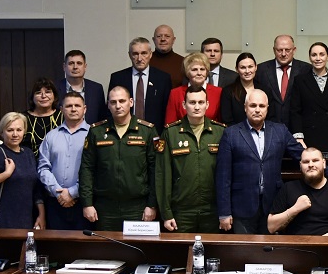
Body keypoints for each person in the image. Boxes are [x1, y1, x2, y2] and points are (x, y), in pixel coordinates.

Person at [216, 88, 319, 234]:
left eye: (261, 106)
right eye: (253, 106)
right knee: (244, 253)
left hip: (273, 205)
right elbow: (223, 177)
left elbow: (303, 155)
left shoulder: (280, 130)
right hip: (242, 207)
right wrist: (224, 213)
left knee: (271, 253)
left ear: (267, 108)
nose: (257, 110)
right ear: (245, 108)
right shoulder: (231, 134)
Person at [79, 86, 157, 231]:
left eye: (122, 101)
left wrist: (152, 204)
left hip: (138, 206)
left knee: (138, 250)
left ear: (131, 102)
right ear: (108, 105)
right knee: (107, 251)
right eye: (113, 102)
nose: (118, 106)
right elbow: (87, 169)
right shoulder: (97, 131)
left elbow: (155, 170)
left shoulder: (147, 131)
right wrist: (87, 203)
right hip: (105, 207)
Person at [156, 84, 225, 233]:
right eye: (192, 102)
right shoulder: (170, 133)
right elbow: (163, 175)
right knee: (181, 255)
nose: (197, 107)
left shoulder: (220, 132)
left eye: (201, 102)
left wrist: (226, 210)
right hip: (182, 211)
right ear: (184, 105)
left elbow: (228, 174)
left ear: (207, 104)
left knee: (211, 254)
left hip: (212, 210)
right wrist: (166, 213)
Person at [267, 148, 328, 236]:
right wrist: (295, 209)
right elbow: (271, 227)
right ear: (300, 165)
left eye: (315, 160)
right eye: (306, 162)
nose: (310, 165)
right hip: (296, 249)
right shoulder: (288, 188)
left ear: (324, 163)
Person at [0, 112, 45, 230]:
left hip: (27, 218)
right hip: (3, 220)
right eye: (10, 130)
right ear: (2, 132)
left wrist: (41, 214)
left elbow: (36, 188)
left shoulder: (28, 153)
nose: (15, 134)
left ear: (24, 131)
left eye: (19, 130)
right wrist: (6, 174)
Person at [36, 90, 90, 230]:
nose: (73, 109)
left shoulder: (94, 135)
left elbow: (96, 170)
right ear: (61, 109)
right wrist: (58, 192)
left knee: (84, 249)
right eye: (68, 106)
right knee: (56, 248)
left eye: (77, 106)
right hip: (55, 203)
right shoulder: (51, 136)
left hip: (84, 203)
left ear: (84, 109)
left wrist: (72, 192)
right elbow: (43, 168)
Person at [288, 41, 328, 154]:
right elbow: (295, 111)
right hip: (308, 139)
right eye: (314, 55)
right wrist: (299, 138)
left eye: (322, 54)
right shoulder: (300, 81)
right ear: (310, 58)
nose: (318, 58)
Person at [109, 36, 170, 130]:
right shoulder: (118, 78)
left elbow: (167, 110)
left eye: (144, 53)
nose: (140, 58)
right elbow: (110, 108)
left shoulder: (163, 78)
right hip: (123, 132)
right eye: (135, 54)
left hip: (154, 133)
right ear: (130, 55)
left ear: (150, 54)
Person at [254, 34, 308, 124]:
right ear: (274, 50)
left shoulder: (306, 70)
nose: (283, 54)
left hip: (297, 128)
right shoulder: (260, 70)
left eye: (287, 50)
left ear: (294, 50)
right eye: (279, 50)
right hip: (269, 126)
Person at [166, 52, 222, 125]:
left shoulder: (218, 92)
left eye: (202, 69)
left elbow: (221, 123)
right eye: (194, 70)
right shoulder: (175, 93)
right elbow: (170, 124)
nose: (199, 73)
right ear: (187, 72)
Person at [59, 49, 107, 125]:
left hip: (91, 134)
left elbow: (102, 117)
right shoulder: (54, 88)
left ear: (85, 67)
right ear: (64, 67)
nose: (75, 67)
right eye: (71, 63)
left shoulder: (96, 89)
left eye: (79, 63)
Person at [24, 77, 62, 156]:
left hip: (58, 164)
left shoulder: (63, 116)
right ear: (32, 97)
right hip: (28, 164)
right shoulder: (22, 118)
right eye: (38, 93)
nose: (43, 96)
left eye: (48, 92)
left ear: (54, 95)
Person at [219, 52, 258, 126]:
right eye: (243, 67)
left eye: (250, 67)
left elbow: (270, 116)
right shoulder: (228, 91)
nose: (247, 71)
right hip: (236, 134)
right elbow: (227, 120)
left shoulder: (265, 89)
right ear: (237, 69)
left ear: (256, 67)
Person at [150, 24, 186, 88]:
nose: (163, 39)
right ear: (153, 40)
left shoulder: (183, 62)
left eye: (167, 36)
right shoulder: (146, 61)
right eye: (159, 36)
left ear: (173, 40)